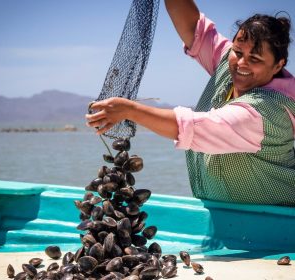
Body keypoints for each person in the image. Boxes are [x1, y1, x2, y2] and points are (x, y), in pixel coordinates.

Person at [86, 0, 295, 206]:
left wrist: (129, 110)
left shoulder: (268, 112)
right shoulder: (228, 63)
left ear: (278, 65)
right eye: (238, 52)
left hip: (275, 218)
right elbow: (193, 27)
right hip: (226, 213)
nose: (242, 63)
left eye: (255, 59)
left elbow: (191, 127)